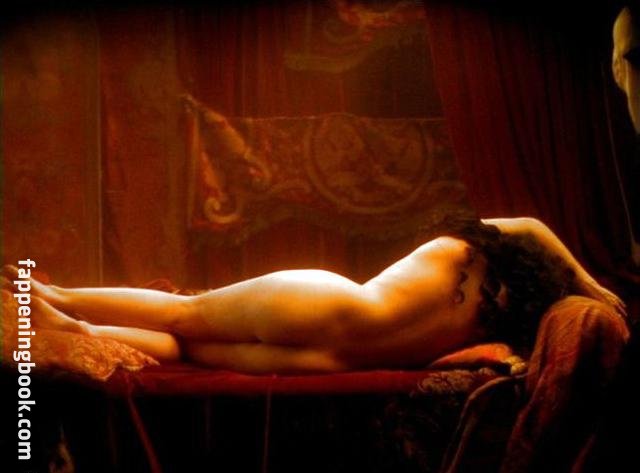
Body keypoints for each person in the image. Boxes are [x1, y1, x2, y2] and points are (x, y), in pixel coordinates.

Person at [2, 217, 623, 374]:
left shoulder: (473, 250)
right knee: (185, 346)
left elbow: (532, 225)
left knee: (185, 312)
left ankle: (57, 297)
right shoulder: (495, 331)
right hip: (332, 360)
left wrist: (591, 281)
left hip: (327, 306)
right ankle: (77, 326)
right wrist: (581, 290)